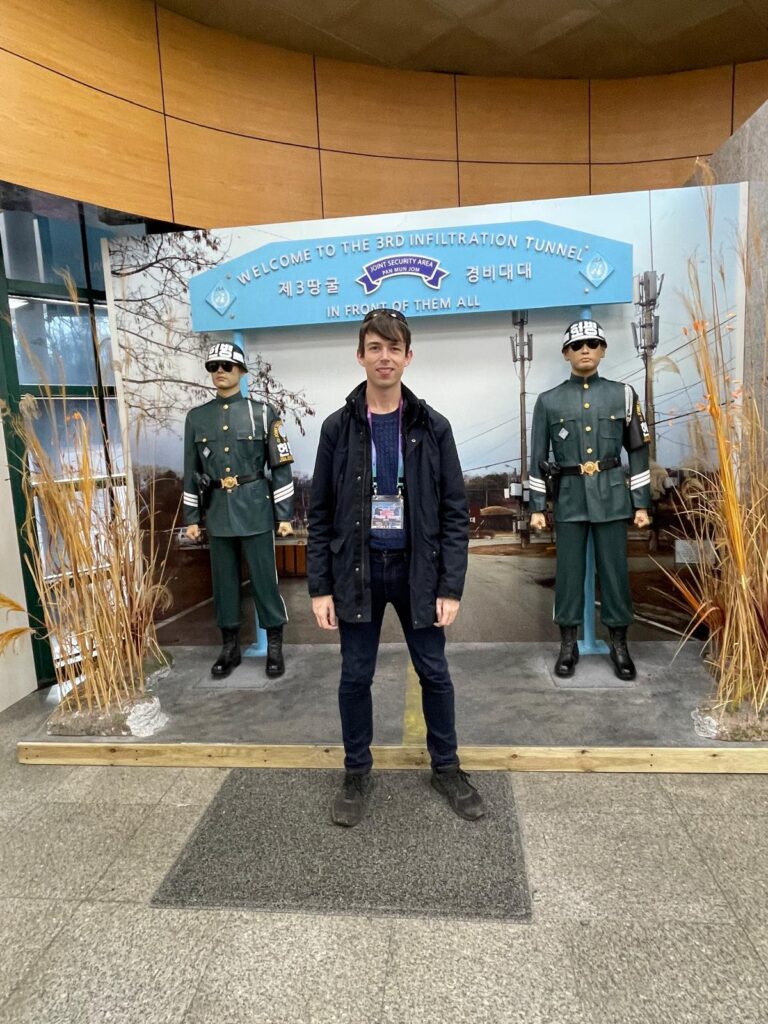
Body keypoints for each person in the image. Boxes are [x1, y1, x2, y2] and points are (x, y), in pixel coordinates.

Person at [308, 309, 485, 827]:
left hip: (418, 573)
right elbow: (318, 514)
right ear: (360, 355)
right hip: (358, 571)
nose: (384, 357)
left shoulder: (433, 427)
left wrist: (450, 585)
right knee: (354, 677)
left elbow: (455, 512)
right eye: (374, 347)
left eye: (394, 348)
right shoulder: (338, 429)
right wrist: (321, 587)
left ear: (409, 357)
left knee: (434, 673)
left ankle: (447, 767)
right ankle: (356, 771)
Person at [528, 319, 651, 680]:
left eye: (593, 343)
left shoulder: (623, 394)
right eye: (578, 345)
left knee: (615, 574)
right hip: (569, 498)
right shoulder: (548, 401)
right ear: (566, 352)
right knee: (567, 575)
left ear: (603, 350)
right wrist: (537, 508)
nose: (586, 350)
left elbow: (638, 451)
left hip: (613, 497)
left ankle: (619, 644)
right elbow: (537, 454)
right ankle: (568, 645)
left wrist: (641, 503)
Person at [183, 341, 294, 679]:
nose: (220, 372)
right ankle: (229, 647)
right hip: (217, 511)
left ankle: (274, 645)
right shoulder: (197, 418)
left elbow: (280, 466)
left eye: (227, 366)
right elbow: (190, 469)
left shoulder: (263, 413)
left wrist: (284, 514)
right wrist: (192, 518)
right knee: (225, 583)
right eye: (213, 366)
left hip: (256, 508)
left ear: (242, 372)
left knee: (264, 581)